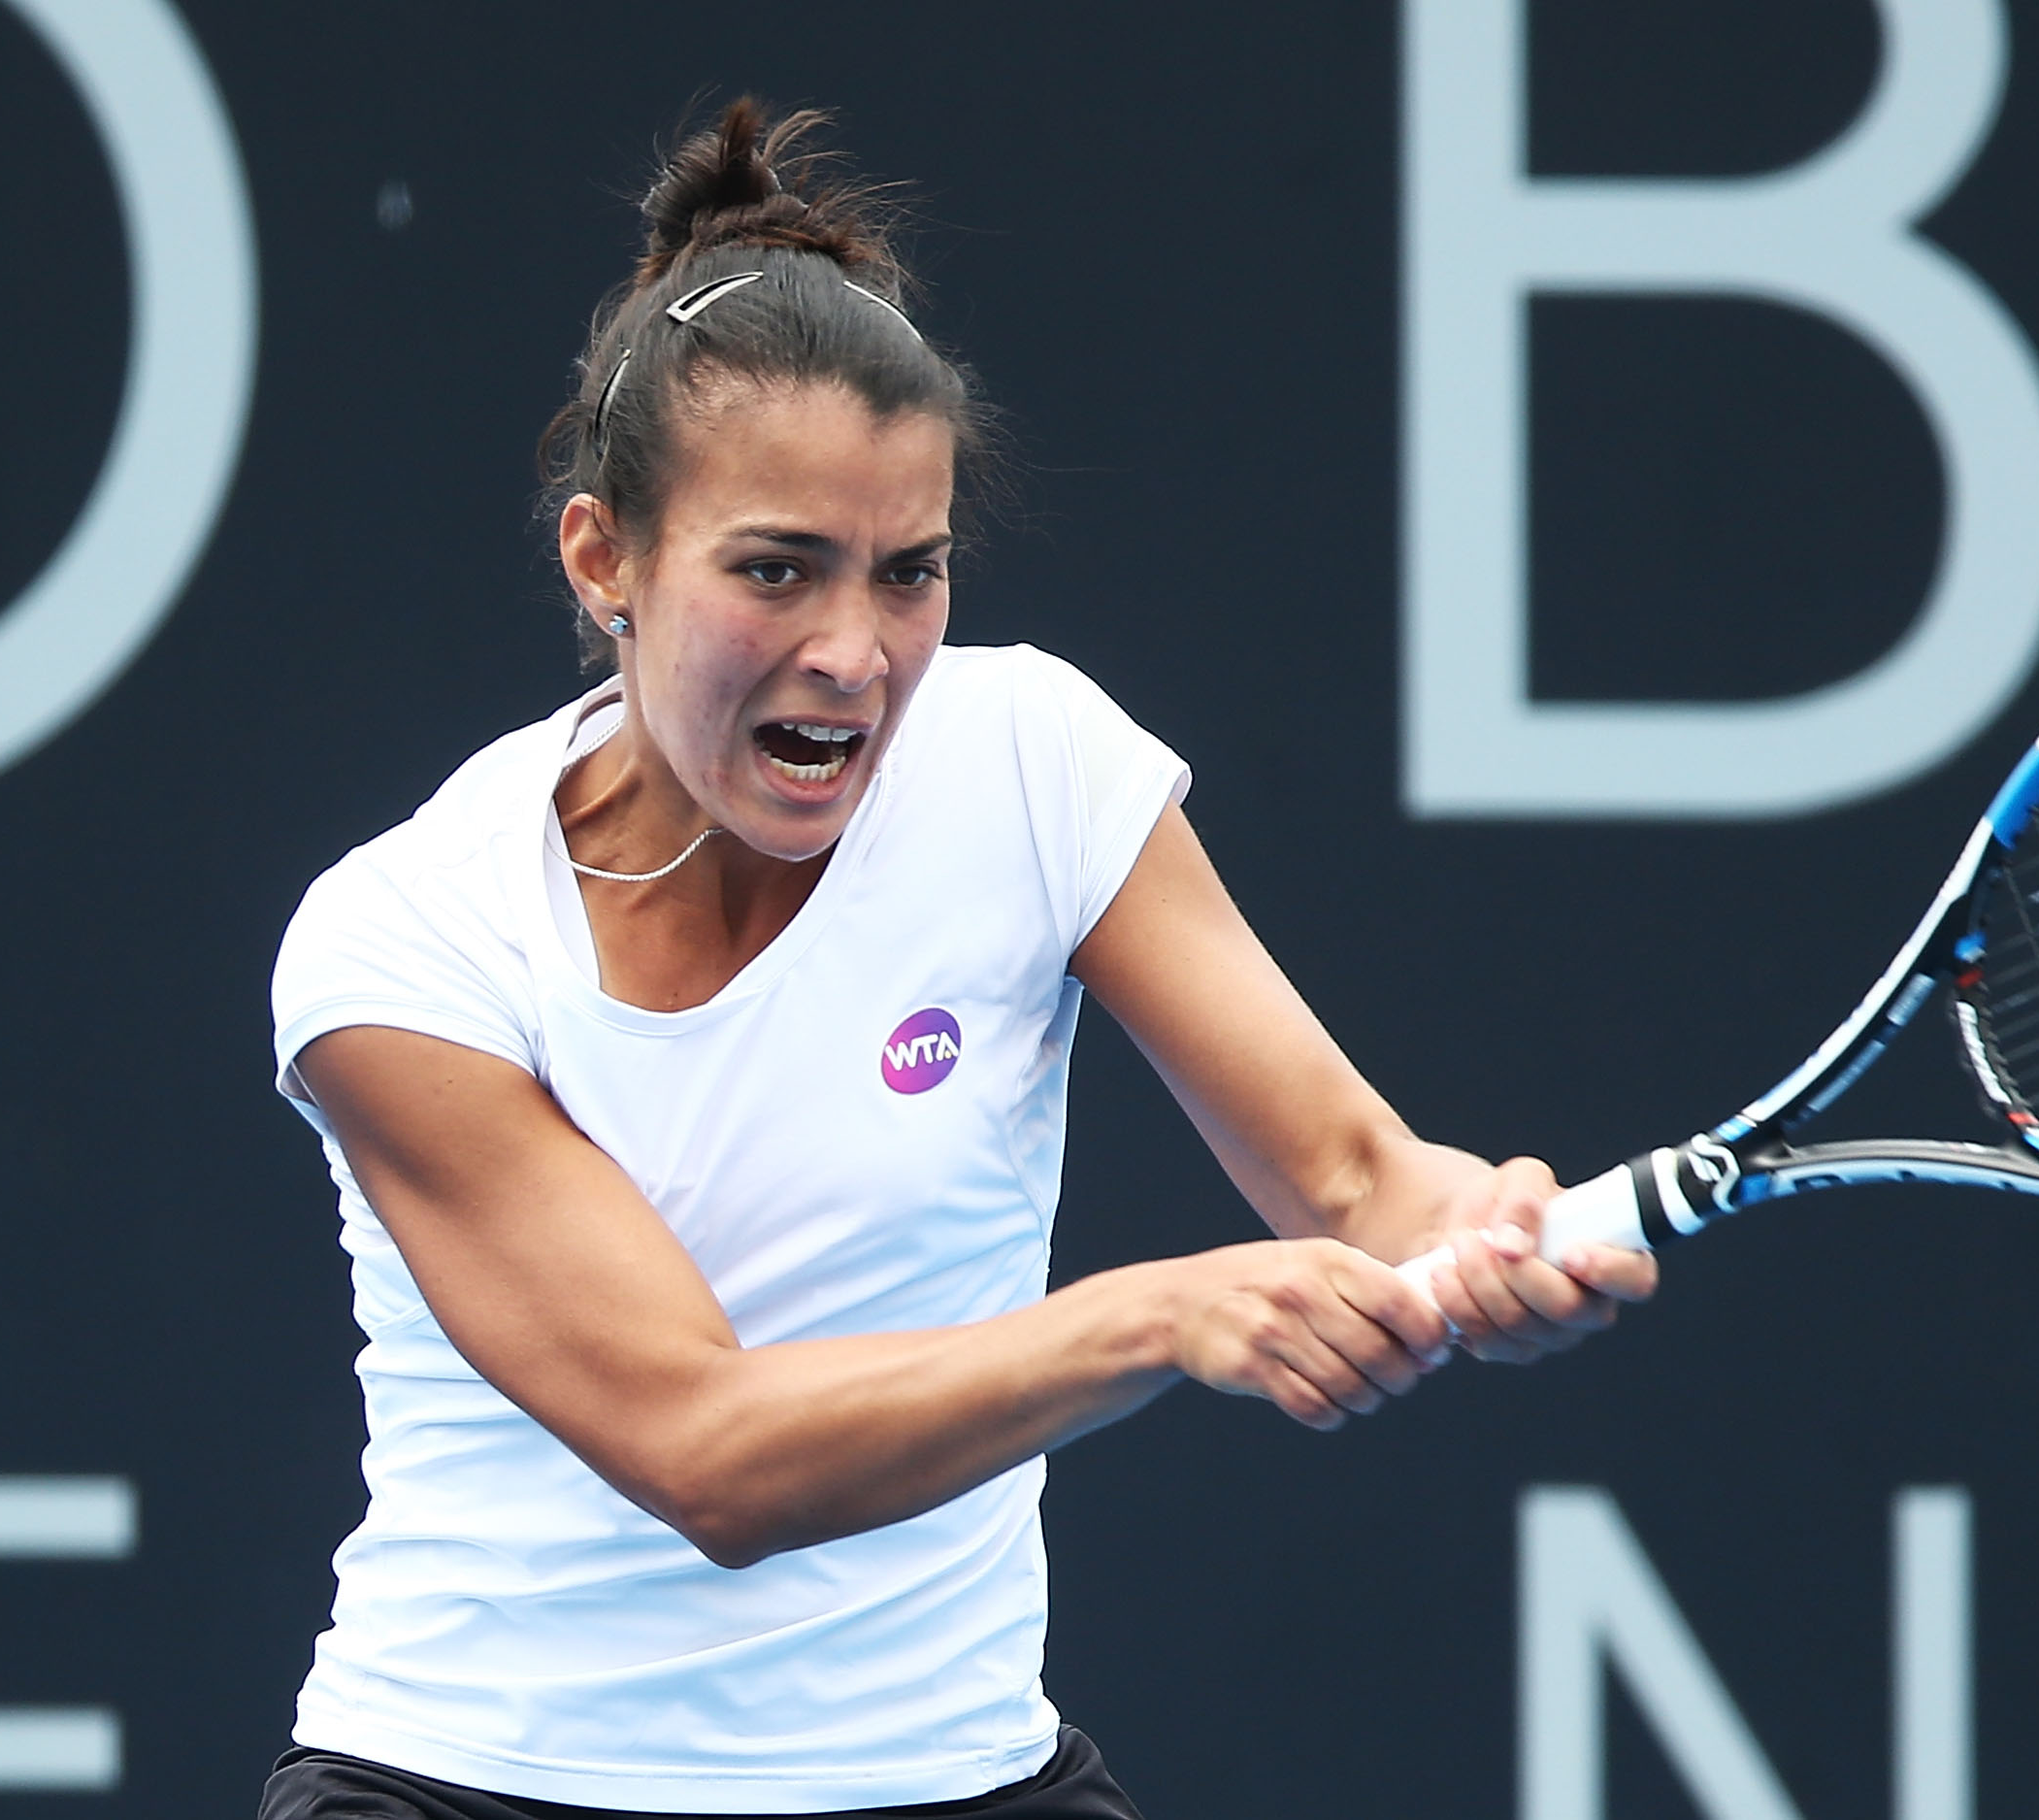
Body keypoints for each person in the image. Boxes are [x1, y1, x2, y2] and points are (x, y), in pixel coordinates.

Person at [254, 101, 1653, 1820]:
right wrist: (1152, 1316)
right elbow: (707, 1450)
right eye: (776, 571)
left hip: (951, 1781)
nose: (852, 653)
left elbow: (1357, 1173)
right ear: (604, 557)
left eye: (907, 575)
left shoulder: (1033, 765)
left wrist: (1485, 1240)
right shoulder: (405, 941)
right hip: (465, 1788)